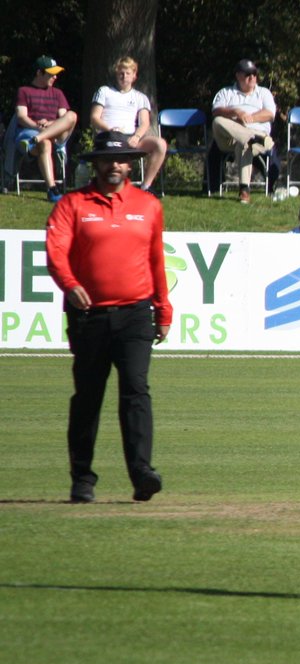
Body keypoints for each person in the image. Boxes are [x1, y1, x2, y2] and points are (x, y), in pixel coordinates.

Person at [44, 133, 172, 504]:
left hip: (136, 314)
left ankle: (142, 474)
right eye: (106, 159)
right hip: (89, 317)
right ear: (95, 164)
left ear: (130, 165)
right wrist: (69, 284)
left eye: (120, 160)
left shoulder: (148, 205)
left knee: (136, 390)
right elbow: (56, 251)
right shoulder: (73, 203)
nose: (114, 166)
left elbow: (156, 260)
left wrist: (163, 308)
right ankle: (82, 479)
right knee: (88, 396)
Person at [90, 56, 167, 192]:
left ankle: (146, 187)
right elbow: (94, 118)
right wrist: (110, 130)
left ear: (134, 76)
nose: (124, 76)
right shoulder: (104, 91)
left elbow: (144, 123)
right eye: (121, 73)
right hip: (108, 138)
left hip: (129, 139)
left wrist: (136, 137)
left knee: (160, 144)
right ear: (116, 74)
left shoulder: (140, 97)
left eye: (127, 73)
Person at [10, 55, 78, 202]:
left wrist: (50, 124)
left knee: (72, 115)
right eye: (51, 74)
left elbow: (64, 118)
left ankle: (38, 138)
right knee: (45, 143)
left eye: (55, 74)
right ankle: (52, 190)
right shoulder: (24, 91)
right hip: (29, 133)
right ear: (39, 73)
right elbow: (21, 117)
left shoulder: (58, 93)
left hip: (54, 135)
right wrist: (37, 126)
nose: (55, 77)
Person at [211, 59, 276, 204]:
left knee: (244, 144)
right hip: (230, 138)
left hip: (258, 135)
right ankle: (250, 137)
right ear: (238, 76)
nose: (252, 77)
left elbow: (270, 114)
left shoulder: (264, 93)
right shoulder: (226, 92)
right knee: (217, 121)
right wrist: (235, 112)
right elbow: (216, 111)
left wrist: (249, 118)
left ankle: (244, 190)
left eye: (254, 74)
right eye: (248, 74)